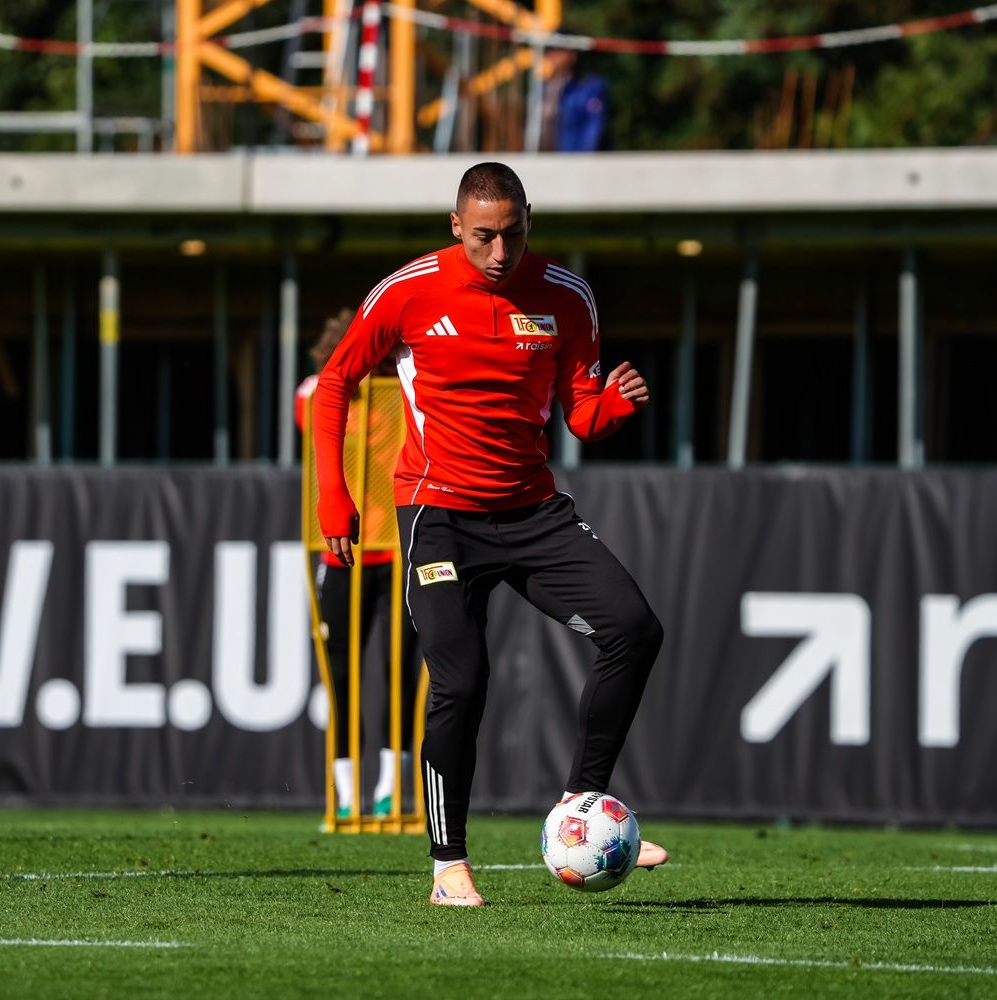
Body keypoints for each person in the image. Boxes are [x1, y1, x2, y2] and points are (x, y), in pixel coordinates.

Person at [311, 162, 666, 907]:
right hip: (438, 515)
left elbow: (581, 417)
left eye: (512, 235)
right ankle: (448, 866)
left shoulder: (567, 297)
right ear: (455, 226)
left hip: (534, 512)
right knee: (463, 681)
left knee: (634, 628)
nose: (498, 253)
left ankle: (582, 806)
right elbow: (335, 383)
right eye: (482, 238)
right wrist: (334, 501)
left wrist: (616, 406)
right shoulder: (408, 290)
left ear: (528, 220)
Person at [297, 310, 422, 821]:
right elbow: (314, 406)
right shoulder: (321, 392)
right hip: (343, 552)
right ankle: (347, 792)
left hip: (397, 549)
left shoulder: (403, 394)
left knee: (400, 674)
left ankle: (392, 788)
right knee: (343, 675)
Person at [540, 48, 610, 153]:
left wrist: (583, 160)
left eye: (558, 50)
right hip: (552, 159)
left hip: (576, 159)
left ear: (572, 55)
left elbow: (594, 128)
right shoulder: (545, 86)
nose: (552, 55)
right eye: (549, 50)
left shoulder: (590, 86)